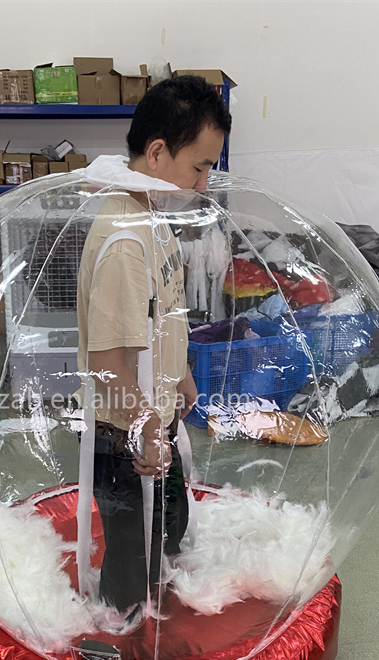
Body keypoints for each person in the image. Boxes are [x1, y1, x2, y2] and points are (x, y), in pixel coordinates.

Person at [76, 76, 232, 621]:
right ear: (158, 151)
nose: (205, 183)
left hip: (154, 418)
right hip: (125, 436)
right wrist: (144, 427)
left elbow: (164, 313)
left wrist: (182, 371)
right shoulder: (124, 239)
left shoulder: (153, 217)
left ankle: (158, 616)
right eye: (200, 166)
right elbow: (105, 363)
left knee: (170, 529)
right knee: (131, 565)